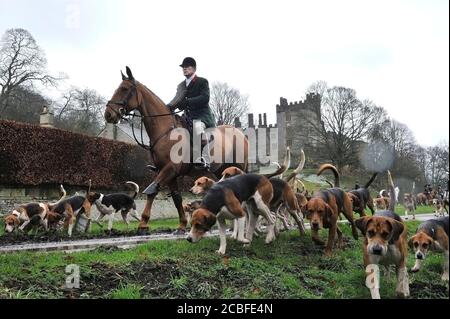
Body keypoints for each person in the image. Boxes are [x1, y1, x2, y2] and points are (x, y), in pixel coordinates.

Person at [167, 57, 216, 169]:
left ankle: (204, 159)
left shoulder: (202, 81)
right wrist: (168, 107)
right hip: (188, 117)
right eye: (183, 68)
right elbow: (176, 99)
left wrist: (188, 102)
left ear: (193, 69)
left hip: (202, 116)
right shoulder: (181, 85)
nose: (184, 69)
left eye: (187, 67)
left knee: (197, 127)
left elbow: (205, 97)